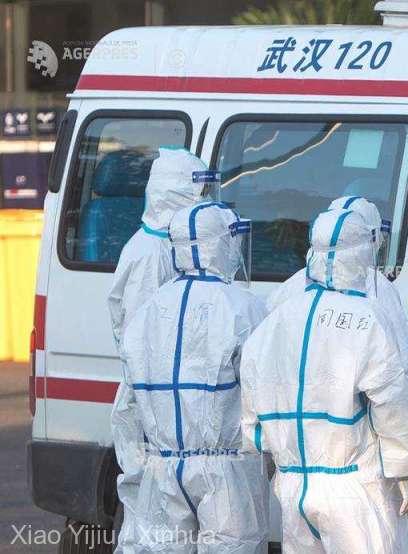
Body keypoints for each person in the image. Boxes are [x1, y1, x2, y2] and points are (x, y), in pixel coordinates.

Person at [241, 208, 408, 554]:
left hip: (294, 485)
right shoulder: (367, 318)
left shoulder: (277, 319)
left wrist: (269, 447)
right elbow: (391, 401)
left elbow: (253, 398)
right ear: (361, 256)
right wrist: (406, 467)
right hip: (354, 489)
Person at [115, 202, 269, 552]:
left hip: (162, 468)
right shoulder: (243, 308)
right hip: (226, 472)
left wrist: (136, 466)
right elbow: (265, 393)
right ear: (221, 243)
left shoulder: (147, 311)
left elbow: (126, 407)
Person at [267, 195, 408, 480]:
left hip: (295, 452)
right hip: (354, 459)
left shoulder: (287, 291)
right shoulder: (376, 289)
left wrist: (265, 443)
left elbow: (262, 373)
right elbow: (401, 372)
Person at [107, 147, 212, 552]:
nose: (206, 203)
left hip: (163, 406)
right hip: (153, 408)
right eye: (199, 194)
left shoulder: (167, 247)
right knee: (150, 526)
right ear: (174, 194)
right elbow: (146, 345)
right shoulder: (151, 256)